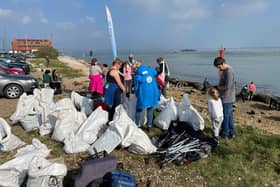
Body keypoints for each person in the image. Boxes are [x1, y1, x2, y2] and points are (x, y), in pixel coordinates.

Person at [213, 57, 236, 139]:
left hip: (227, 98)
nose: (219, 69)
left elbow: (227, 86)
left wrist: (217, 87)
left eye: (219, 67)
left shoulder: (229, 72)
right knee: (229, 116)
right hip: (227, 97)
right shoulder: (225, 71)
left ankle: (225, 133)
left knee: (225, 116)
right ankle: (232, 132)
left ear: (222, 64)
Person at [134, 61, 160, 131]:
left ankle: (137, 125)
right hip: (152, 92)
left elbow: (136, 87)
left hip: (143, 93)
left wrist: (136, 94)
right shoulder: (150, 70)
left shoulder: (137, 75)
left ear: (136, 67)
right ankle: (149, 126)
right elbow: (155, 72)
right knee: (150, 109)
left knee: (139, 109)